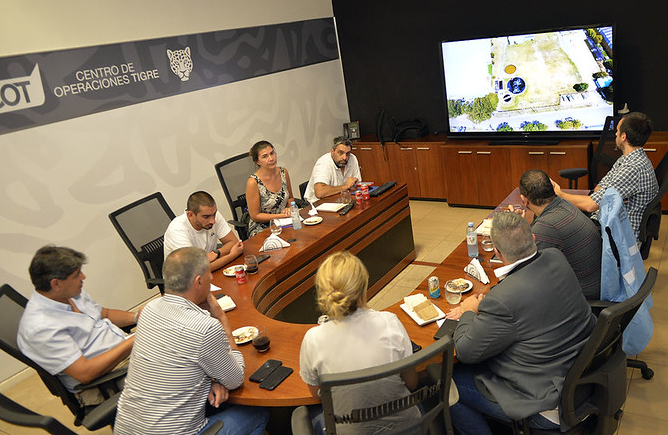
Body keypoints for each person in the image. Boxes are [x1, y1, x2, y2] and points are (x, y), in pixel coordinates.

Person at [444, 212, 595, 433]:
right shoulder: (556, 257)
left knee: (448, 383)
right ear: (533, 238)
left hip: (544, 401)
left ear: (497, 252)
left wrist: (468, 312)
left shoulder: (503, 300)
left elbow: (465, 351)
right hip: (577, 375)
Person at [114, 247, 269, 435]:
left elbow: (175, 362)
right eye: (209, 274)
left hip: (126, 429)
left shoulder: (149, 310)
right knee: (259, 411)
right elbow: (235, 379)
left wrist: (212, 380)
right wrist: (221, 319)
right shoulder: (204, 328)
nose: (211, 278)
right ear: (199, 281)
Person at [299, 251, 419, 435]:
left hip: (350, 429)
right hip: (407, 428)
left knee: (311, 415)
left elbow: (318, 395)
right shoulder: (389, 322)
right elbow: (411, 383)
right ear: (364, 288)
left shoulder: (313, 339)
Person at [17, 245, 136, 404]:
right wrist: (135, 340)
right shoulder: (41, 328)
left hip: (124, 354)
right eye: (76, 274)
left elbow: (104, 313)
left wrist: (137, 317)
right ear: (56, 284)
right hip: (104, 382)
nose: (83, 277)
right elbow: (85, 373)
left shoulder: (69, 293)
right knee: (176, 369)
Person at [553, 111, 658, 239]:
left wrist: (559, 194)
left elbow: (590, 205)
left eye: (618, 131)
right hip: (608, 219)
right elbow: (600, 188)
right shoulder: (628, 158)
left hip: (617, 235)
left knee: (556, 228)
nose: (615, 133)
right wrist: (604, 199)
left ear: (623, 137)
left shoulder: (632, 168)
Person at [511, 169, 602, 299]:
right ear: (552, 188)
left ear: (524, 200)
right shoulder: (563, 204)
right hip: (594, 281)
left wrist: (516, 230)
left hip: (582, 295)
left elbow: (524, 267)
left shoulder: (546, 227)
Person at [163, 191, 244, 271]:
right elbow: (199, 270)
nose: (213, 221)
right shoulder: (177, 230)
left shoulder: (211, 213)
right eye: (206, 217)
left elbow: (233, 242)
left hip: (208, 273)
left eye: (214, 214)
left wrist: (216, 253)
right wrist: (231, 256)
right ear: (190, 215)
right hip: (184, 280)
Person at [245, 140, 295, 237]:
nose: (271, 158)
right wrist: (281, 216)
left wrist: (289, 209)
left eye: (272, 153)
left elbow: (290, 198)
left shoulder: (283, 172)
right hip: (262, 228)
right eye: (265, 156)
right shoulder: (253, 182)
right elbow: (255, 216)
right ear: (258, 161)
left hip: (284, 222)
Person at [303, 136, 361, 204]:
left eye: (347, 153)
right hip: (317, 205)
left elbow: (357, 185)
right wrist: (346, 186)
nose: (345, 157)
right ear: (332, 151)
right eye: (341, 153)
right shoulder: (323, 163)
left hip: (340, 200)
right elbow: (320, 192)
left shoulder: (352, 159)